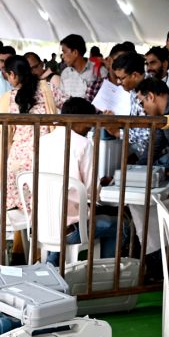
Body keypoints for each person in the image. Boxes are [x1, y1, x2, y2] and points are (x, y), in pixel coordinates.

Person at [36, 97, 118, 267]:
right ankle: (105, 276)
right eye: (89, 122)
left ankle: (52, 264)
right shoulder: (83, 144)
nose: (89, 128)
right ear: (81, 119)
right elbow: (90, 193)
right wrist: (100, 186)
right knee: (120, 226)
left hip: (42, 225)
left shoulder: (43, 141)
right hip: (70, 231)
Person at [0, 54, 66, 214]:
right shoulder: (47, 89)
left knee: (20, 211)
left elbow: (6, 134)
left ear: (12, 75)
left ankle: (23, 236)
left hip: (17, 163)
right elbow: (70, 104)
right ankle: (43, 235)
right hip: (45, 158)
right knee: (44, 207)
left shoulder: (7, 99)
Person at [58, 34, 105, 101]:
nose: (62, 56)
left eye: (64, 52)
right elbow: (62, 99)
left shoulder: (99, 71)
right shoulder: (65, 73)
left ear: (75, 52)